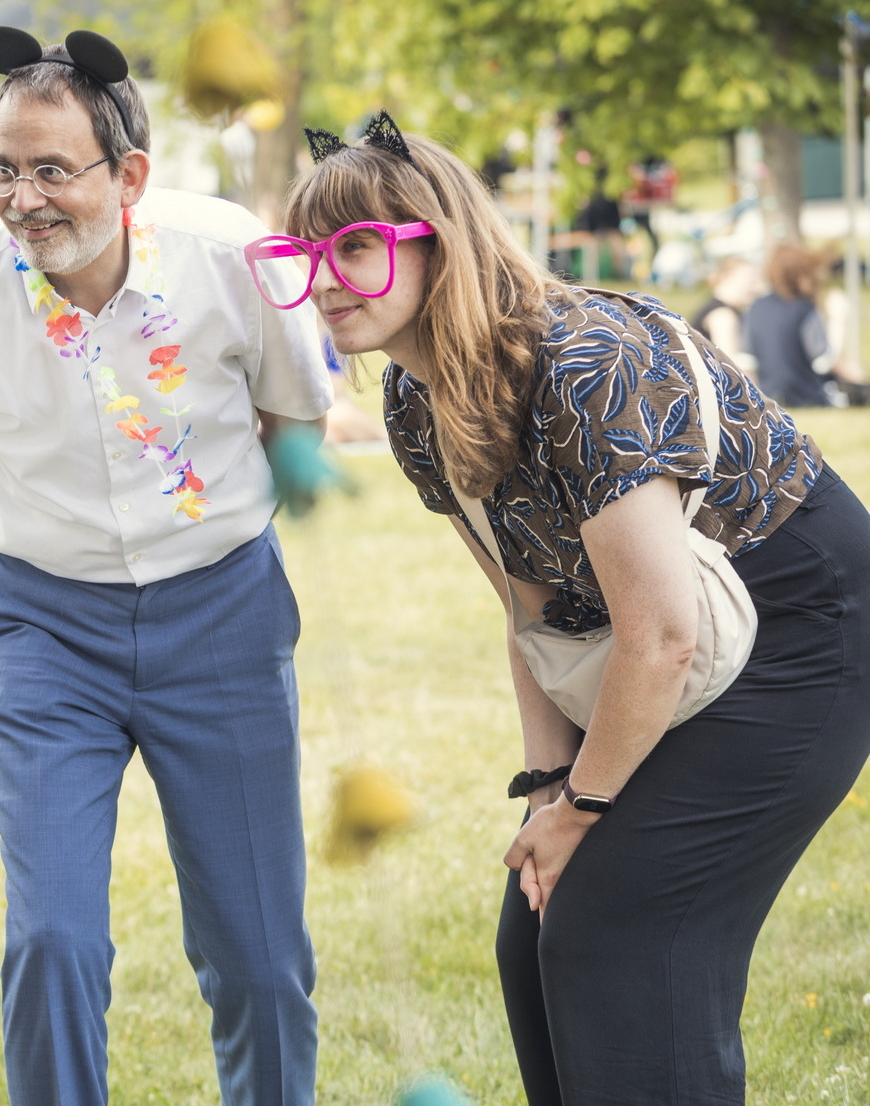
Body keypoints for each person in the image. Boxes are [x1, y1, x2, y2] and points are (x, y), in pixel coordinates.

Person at [256, 116, 870, 1105]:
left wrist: (585, 807)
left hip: (803, 633)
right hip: (657, 636)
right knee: (536, 925)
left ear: (436, 244)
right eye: (303, 252)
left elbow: (662, 633)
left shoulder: (586, 363)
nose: (325, 278)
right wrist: (548, 789)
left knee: (620, 926)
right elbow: (530, 615)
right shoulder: (415, 406)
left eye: (356, 247)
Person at [0, 27, 331, 1106]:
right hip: (45, 631)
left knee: (258, 951)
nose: (21, 197)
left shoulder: (230, 256)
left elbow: (291, 414)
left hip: (221, 612)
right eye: (1, 169)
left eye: (51, 169)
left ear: (128, 174)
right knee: (52, 939)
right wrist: (61, 529)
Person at [746, 243, 836, 407]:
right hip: (807, 396)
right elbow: (823, 362)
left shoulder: (756, 306)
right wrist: (838, 321)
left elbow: (747, 361)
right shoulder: (804, 308)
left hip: (768, 396)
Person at [692, 255, 758, 377]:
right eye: (750, 281)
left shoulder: (713, 308)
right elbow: (730, 368)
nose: (755, 288)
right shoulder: (723, 316)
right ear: (727, 278)